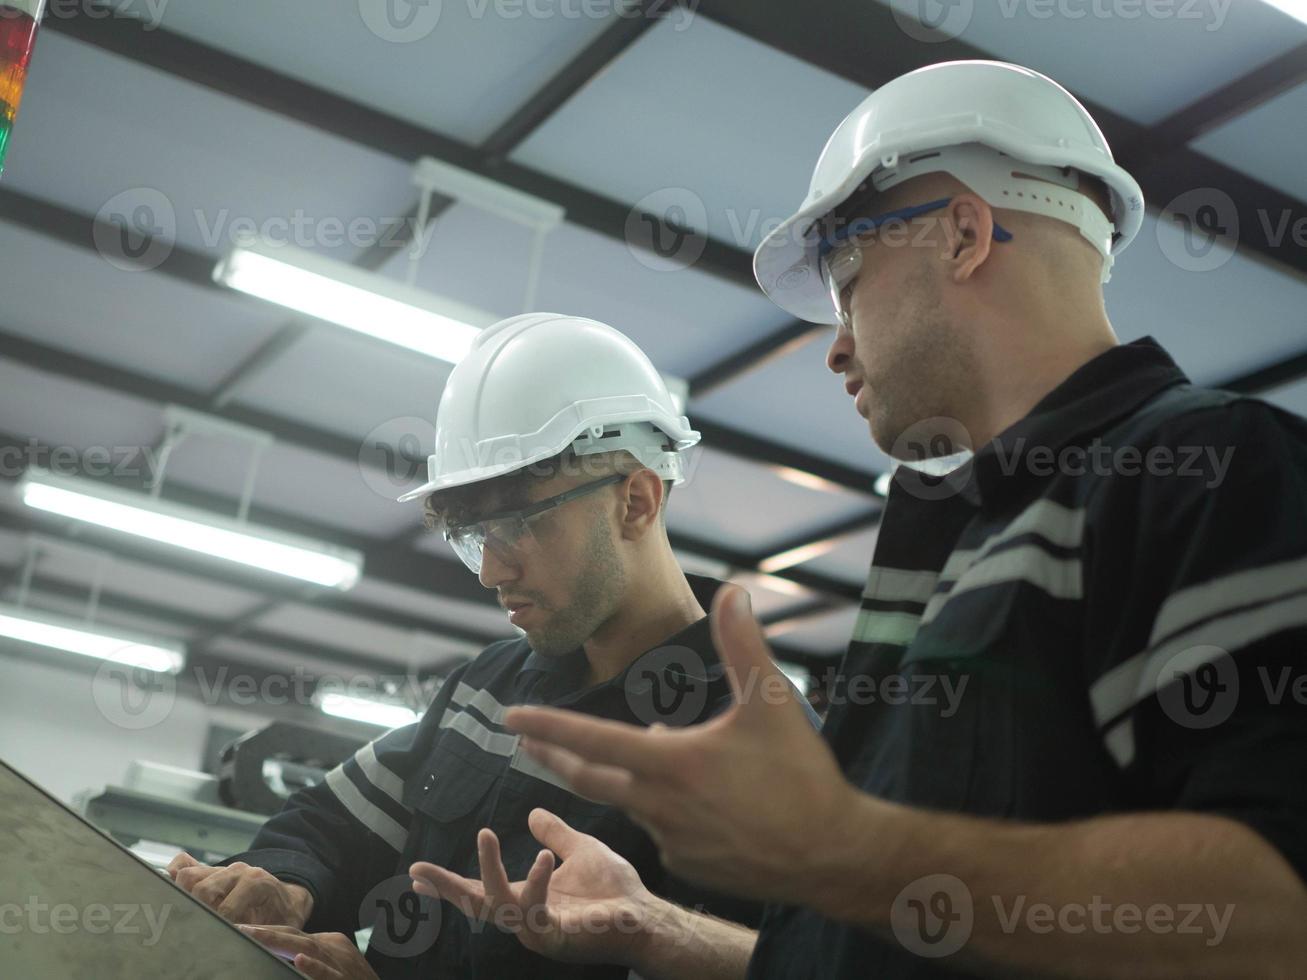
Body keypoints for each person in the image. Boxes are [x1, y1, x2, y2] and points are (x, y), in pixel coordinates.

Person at [417, 61, 1307, 978]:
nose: (837, 345)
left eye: (848, 281)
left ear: (964, 233)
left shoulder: (1209, 473)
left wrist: (844, 846)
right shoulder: (967, 547)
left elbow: (1282, 914)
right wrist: (657, 928)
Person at [166, 313, 808, 979]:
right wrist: (283, 882)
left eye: (518, 527)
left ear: (636, 501)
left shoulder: (765, 744)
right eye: (471, 536)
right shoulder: (488, 689)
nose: (490, 572)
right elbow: (331, 821)